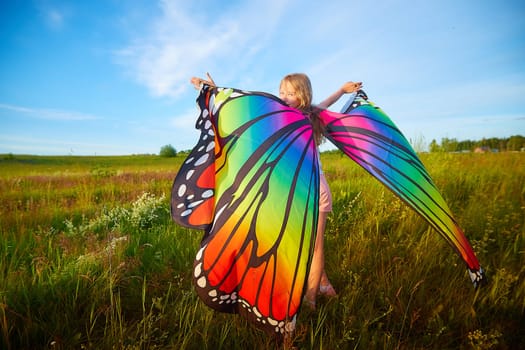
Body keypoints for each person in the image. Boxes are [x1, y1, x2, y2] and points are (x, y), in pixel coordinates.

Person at [190, 73, 362, 310]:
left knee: (314, 245)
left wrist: (342, 91)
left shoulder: (308, 115)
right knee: (297, 242)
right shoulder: (281, 116)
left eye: (291, 93)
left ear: (302, 95)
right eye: (282, 92)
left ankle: (311, 299)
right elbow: (247, 105)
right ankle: (321, 283)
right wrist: (214, 88)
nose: (285, 97)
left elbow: (323, 104)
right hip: (296, 190)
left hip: (314, 188)